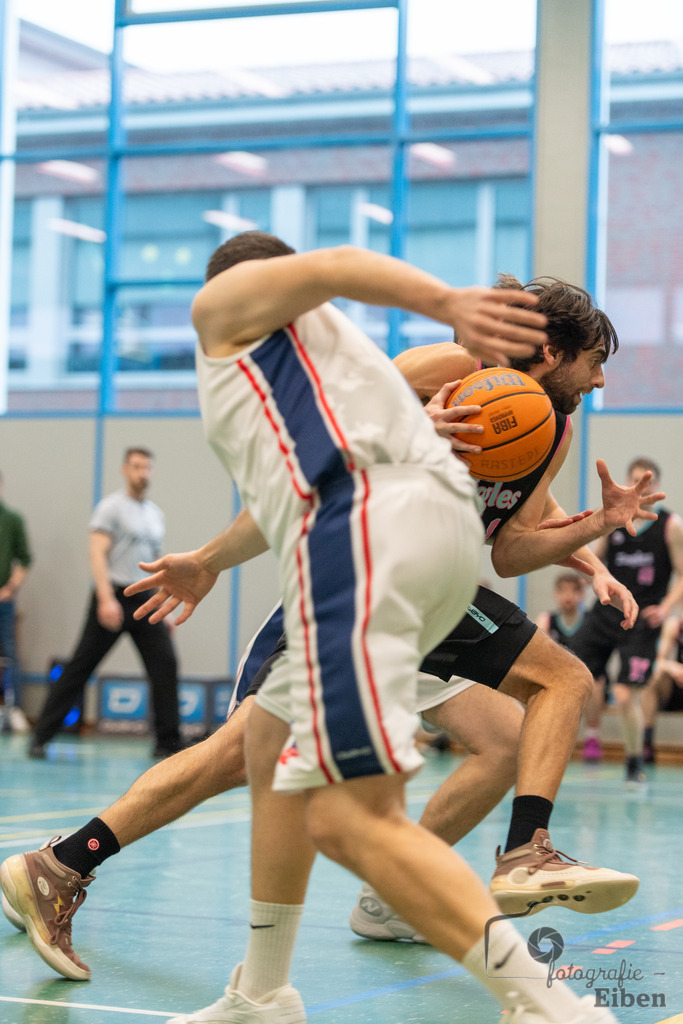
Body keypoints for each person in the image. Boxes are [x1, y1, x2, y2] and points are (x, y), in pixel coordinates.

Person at [1, 236, 622, 1024]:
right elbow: (304, 481)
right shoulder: (308, 354)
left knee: (349, 797)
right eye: (591, 358)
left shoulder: (273, 335)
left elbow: (334, 274)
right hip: (380, 567)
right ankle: (261, 978)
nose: (600, 378)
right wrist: (211, 562)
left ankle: (514, 991)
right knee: (269, 769)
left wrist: (445, 313)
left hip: (390, 565)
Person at [27, 447, 182, 761]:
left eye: (147, 468)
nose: (142, 473)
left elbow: (157, 565)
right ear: (125, 469)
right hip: (112, 595)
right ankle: (40, 737)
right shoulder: (111, 508)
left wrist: (163, 608)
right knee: (79, 668)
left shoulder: (155, 514)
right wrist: (105, 598)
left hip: (144, 598)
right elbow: (97, 553)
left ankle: (168, 742)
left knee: (165, 664)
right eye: (136, 466)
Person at [568, 457, 683, 782]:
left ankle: (634, 762)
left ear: (655, 487)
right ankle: (551, 751)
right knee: (569, 676)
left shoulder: (670, 525)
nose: (639, 487)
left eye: (645, 482)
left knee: (624, 693)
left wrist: (666, 608)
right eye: (633, 481)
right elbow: (593, 559)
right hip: (606, 613)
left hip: (643, 619)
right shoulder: (617, 521)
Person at [0, 471, 32, 733]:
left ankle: (15, 710)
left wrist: (10, 588)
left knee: (9, 654)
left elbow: (25, 559)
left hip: (3, 602)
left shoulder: (11, 520)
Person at [535, 571, 586, 649]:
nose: (568, 596)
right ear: (555, 593)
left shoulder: (592, 620)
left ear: (581, 594)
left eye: (574, 590)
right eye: (563, 590)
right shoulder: (546, 620)